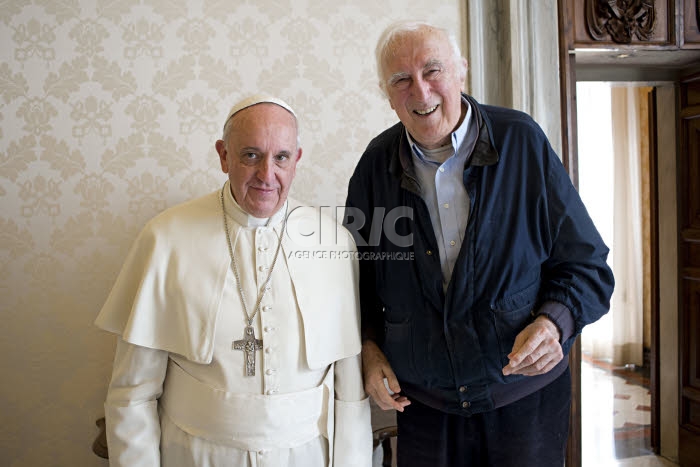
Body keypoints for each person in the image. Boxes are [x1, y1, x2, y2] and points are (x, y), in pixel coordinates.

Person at [343, 21, 615, 466]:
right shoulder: (374, 166)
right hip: (424, 409)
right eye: (401, 79)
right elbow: (358, 284)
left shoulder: (521, 141)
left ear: (461, 71)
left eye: (433, 71)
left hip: (522, 402)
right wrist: (369, 349)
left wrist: (554, 322)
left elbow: (588, 266)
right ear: (385, 92)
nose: (421, 91)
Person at [96, 95, 371, 467]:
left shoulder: (332, 243)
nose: (266, 175)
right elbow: (132, 395)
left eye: (281, 158)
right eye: (251, 155)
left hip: (306, 456)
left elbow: (349, 392)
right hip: (194, 455)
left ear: (297, 160)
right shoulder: (166, 237)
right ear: (224, 155)